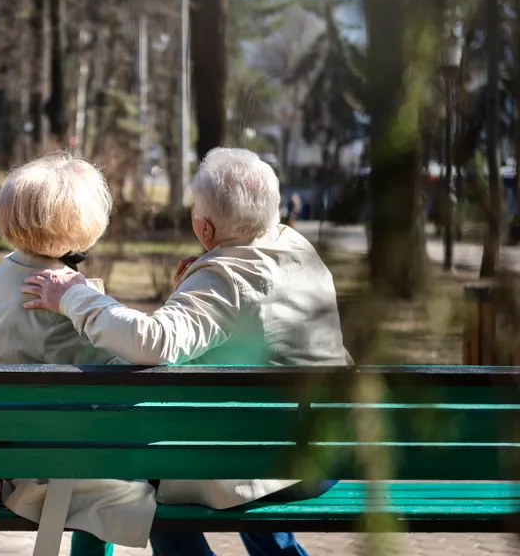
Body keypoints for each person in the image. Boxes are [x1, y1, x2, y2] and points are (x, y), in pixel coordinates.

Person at [21, 147, 352, 556]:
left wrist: (74, 296)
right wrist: (194, 285)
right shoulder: (299, 250)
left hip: (276, 464)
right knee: (242, 453)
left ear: (206, 227)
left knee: (144, 478)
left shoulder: (224, 281)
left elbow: (152, 343)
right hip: (330, 451)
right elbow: (253, 330)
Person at [0, 151, 156, 552]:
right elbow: (122, 370)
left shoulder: (7, 271)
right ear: (83, 222)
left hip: (7, 440)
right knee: (134, 486)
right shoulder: (56, 297)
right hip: (43, 462)